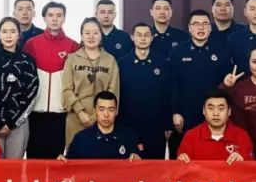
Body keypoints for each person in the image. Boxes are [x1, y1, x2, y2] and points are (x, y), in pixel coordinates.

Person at [167, 10, 228, 158]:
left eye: (205, 24)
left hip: (213, 114)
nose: (201, 28)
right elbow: (172, 84)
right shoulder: (177, 52)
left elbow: (225, 86)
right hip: (185, 115)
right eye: (196, 24)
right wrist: (175, 112)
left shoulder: (220, 52)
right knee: (184, 158)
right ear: (189, 27)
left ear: (210, 28)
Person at [23, 1, 80, 159]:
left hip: (61, 113)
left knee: (57, 159)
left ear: (64, 18)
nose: (54, 19)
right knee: (34, 159)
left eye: (59, 15)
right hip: (35, 112)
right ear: (44, 18)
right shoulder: (31, 44)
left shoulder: (73, 46)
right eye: (50, 15)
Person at [0, 16, 39, 158]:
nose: (8, 35)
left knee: (14, 167)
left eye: (12, 31)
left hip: (18, 124)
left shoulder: (27, 61)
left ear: (19, 35)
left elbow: (31, 93)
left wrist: (12, 122)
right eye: (4, 31)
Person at [62, 17, 121, 148]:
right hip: (76, 117)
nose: (91, 36)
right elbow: (67, 90)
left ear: (101, 35)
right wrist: (80, 112)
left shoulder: (110, 60)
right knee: (76, 154)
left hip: (104, 118)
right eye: (87, 33)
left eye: (95, 32)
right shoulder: (72, 59)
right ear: (81, 36)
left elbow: (113, 90)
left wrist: (97, 115)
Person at [117, 22, 172, 159]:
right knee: (129, 165)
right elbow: (118, 94)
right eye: (139, 35)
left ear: (152, 38)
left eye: (147, 35)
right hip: (128, 124)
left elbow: (168, 94)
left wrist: (168, 123)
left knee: (154, 166)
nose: (143, 38)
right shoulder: (122, 63)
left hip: (155, 125)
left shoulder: (163, 63)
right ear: (132, 37)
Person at [177, 90, 254, 164]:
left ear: (229, 111)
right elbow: (180, 170)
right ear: (204, 110)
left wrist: (243, 161)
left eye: (221, 108)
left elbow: (252, 169)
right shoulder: (191, 136)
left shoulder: (242, 136)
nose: (216, 114)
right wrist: (180, 162)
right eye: (211, 108)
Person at [61, 92, 140, 161]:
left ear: (116, 111)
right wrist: (61, 161)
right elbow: (69, 165)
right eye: (101, 109)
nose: (106, 115)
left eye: (111, 110)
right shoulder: (81, 139)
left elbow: (141, 167)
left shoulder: (129, 137)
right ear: (95, 111)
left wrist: (137, 159)